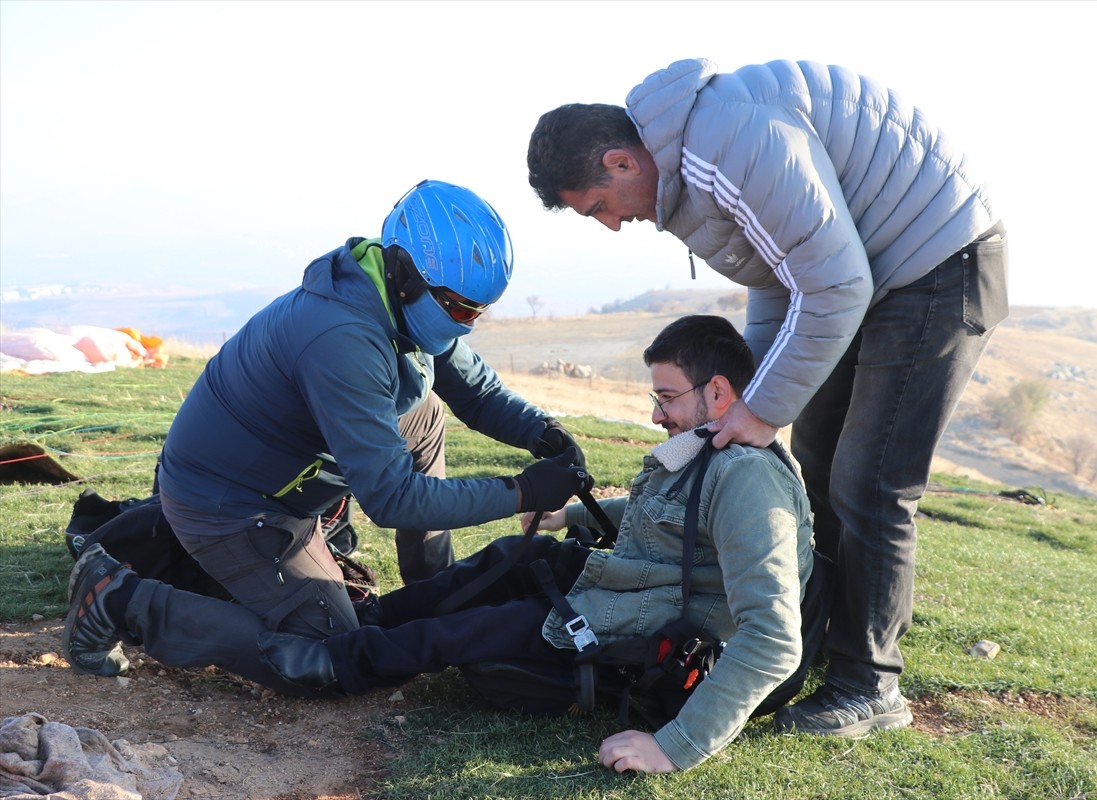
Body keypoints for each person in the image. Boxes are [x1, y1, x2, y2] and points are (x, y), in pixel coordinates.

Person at [527, 59, 1009, 737]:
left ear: (621, 161)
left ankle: (869, 684)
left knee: (868, 479)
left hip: (934, 263)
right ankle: (815, 642)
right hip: (870, 278)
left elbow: (834, 284)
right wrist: (742, 402)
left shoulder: (727, 143)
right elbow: (783, 280)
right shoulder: (691, 163)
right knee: (814, 461)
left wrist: (759, 410)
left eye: (601, 205)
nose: (610, 225)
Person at [62, 180, 590, 688]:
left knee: (422, 414)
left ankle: (431, 591)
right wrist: (521, 492)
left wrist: (543, 433)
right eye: (458, 307)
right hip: (230, 504)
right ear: (406, 271)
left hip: (288, 474)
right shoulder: (343, 338)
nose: (467, 323)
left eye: (479, 311)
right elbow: (392, 498)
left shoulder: (399, 296)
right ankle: (118, 599)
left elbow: (475, 391)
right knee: (332, 653)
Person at [254, 314, 816, 773]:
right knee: (509, 558)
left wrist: (674, 746)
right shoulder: (708, 450)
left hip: (651, 626)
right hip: (634, 586)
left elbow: (771, 637)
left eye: (666, 398)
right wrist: (568, 515)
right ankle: (365, 619)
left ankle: (335, 662)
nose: (654, 413)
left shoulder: (747, 478)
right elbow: (677, 521)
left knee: (483, 628)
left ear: (717, 391)